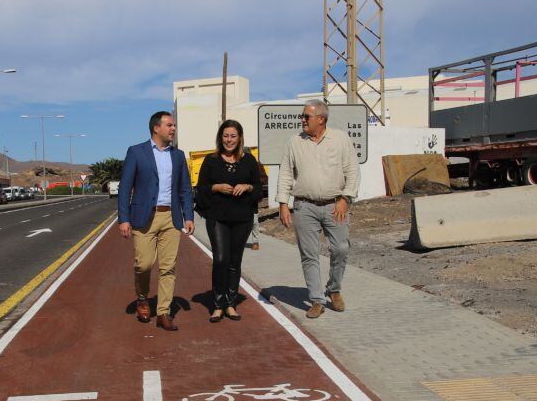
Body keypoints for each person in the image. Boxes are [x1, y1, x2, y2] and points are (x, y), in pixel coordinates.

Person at [276, 99, 360, 318]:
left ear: (321, 119)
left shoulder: (340, 139)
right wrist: (283, 203)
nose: (302, 120)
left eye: (306, 117)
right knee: (309, 254)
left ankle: (334, 289)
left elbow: (352, 171)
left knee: (340, 248)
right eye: (302, 116)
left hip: (336, 205)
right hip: (305, 206)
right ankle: (316, 299)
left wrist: (345, 199)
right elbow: (285, 173)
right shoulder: (294, 142)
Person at [118, 111, 195, 331]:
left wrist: (188, 215)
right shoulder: (136, 152)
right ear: (156, 128)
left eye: (174, 125)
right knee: (144, 264)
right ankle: (142, 297)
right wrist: (124, 218)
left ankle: (163, 312)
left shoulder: (178, 156)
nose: (173, 129)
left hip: (171, 217)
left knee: (168, 267)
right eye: (169, 125)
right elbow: (125, 188)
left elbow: (185, 189)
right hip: (143, 217)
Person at [196, 120, 262, 322]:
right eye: (226, 136)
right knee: (221, 259)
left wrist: (248, 187)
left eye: (233, 136)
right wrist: (216, 188)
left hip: (242, 218)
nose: (229, 140)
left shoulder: (249, 161)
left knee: (235, 261)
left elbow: (259, 189)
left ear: (240, 138)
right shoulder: (210, 160)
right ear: (220, 137)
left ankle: (231, 304)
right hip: (218, 217)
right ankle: (218, 304)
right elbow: (200, 191)